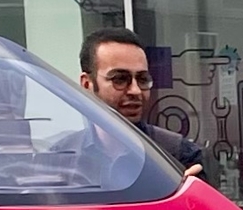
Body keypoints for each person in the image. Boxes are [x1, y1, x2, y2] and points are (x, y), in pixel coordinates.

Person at [82, 29, 203, 177]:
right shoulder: (63, 158)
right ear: (87, 84)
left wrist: (185, 195)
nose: (136, 90)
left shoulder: (178, 154)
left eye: (142, 79)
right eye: (119, 79)